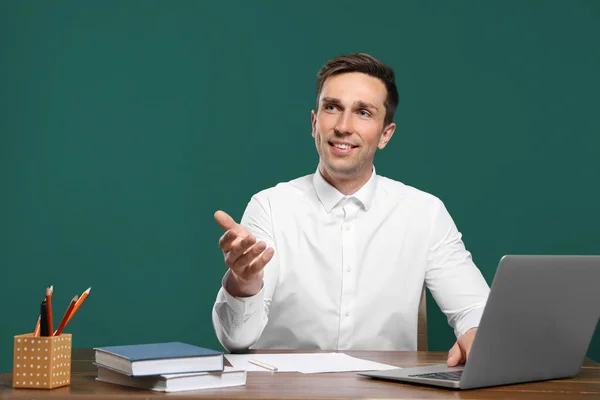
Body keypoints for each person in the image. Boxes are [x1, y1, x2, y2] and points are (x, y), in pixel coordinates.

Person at [212, 53, 490, 367]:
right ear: (315, 123)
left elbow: (474, 308)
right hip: (283, 391)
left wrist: (476, 333)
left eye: (363, 112)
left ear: (386, 134)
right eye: (332, 107)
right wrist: (244, 285)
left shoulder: (425, 213)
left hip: (387, 394)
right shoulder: (270, 207)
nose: (344, 126)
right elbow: (235, 340)